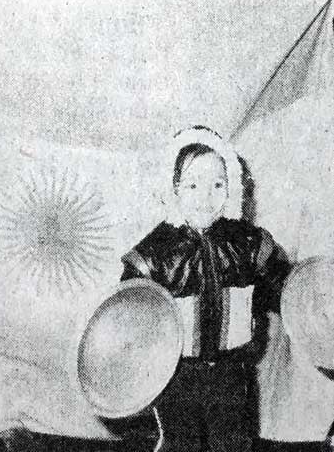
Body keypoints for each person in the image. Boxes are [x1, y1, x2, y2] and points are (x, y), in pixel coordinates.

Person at [120, 126, 289, 452]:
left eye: (217, 185)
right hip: (176, 375)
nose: (205, 197)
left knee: (234, 443)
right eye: (193, 185)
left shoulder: (248, 243)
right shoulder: (156, 252)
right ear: (174, 190)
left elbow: (285, 291)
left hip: (233, 372)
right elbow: (127, 312)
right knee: (180, 445)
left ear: (232, 189)